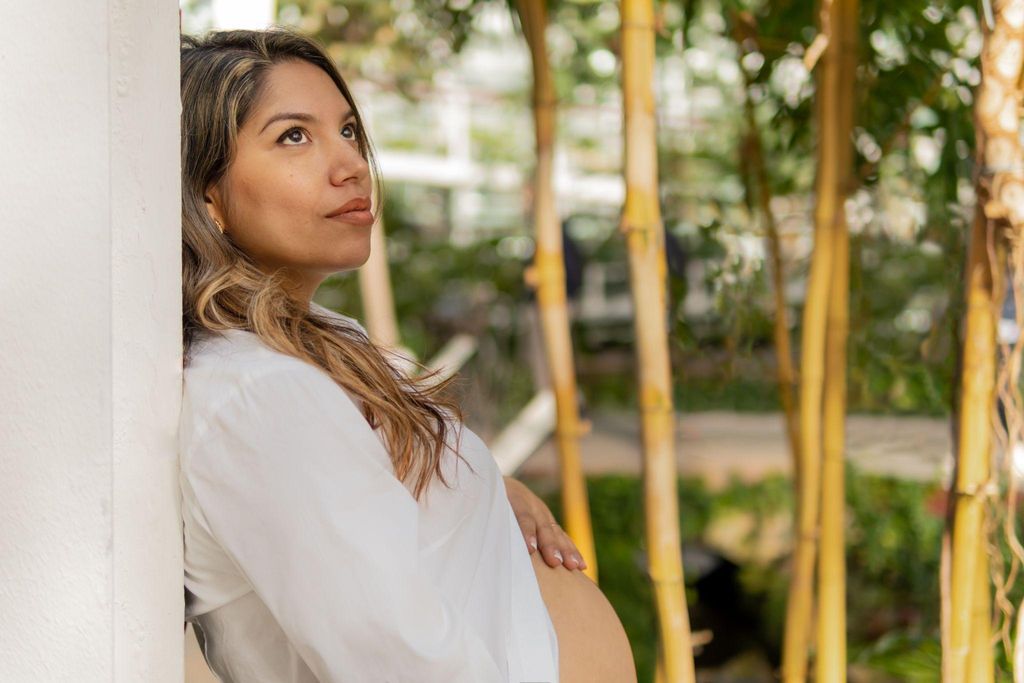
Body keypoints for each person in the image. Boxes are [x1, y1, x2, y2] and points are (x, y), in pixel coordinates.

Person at [178, 28, 637, 683]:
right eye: (294, 137)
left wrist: (488, 488)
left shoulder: (322, 341)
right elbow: (401, 663)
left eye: (348, 132)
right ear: (208, 196)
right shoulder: (263, 396)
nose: (350, 165)